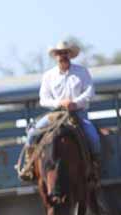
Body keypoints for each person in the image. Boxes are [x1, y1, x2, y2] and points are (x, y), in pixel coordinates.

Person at [20, 40, 100, 182]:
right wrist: (59, 103)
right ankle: (29, 165)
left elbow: (90, 92)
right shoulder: (49, 76)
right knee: (33, 133)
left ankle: (94, 166)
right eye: (59, 53)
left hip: (77, 113)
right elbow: (43, 99)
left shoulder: (82, 72)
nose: (62, 56)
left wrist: (75, 103)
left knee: (93, 136)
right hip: (55, 114)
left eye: (65, 53)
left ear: (70, 54)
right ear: (55, 56)